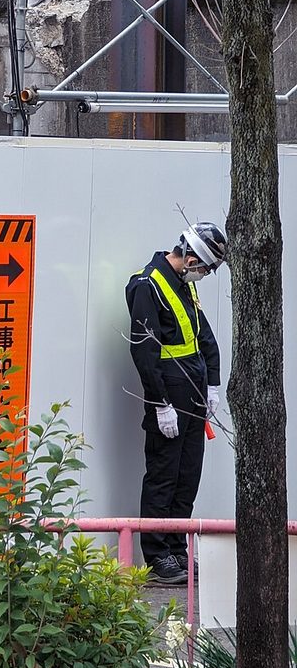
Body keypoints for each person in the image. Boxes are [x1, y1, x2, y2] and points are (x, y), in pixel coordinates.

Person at [125, 222, 227, 586]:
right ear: (189, 255)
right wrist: (159, 404)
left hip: (193, 395)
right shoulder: (147, 285)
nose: (203, 273)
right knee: (163, 477)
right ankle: (157, 557)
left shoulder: (183, 285)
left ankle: (176, 549)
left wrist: (212, 383)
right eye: (204, 266)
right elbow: (144, 352)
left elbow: (204, 337)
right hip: (168, 396)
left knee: (187, 477)